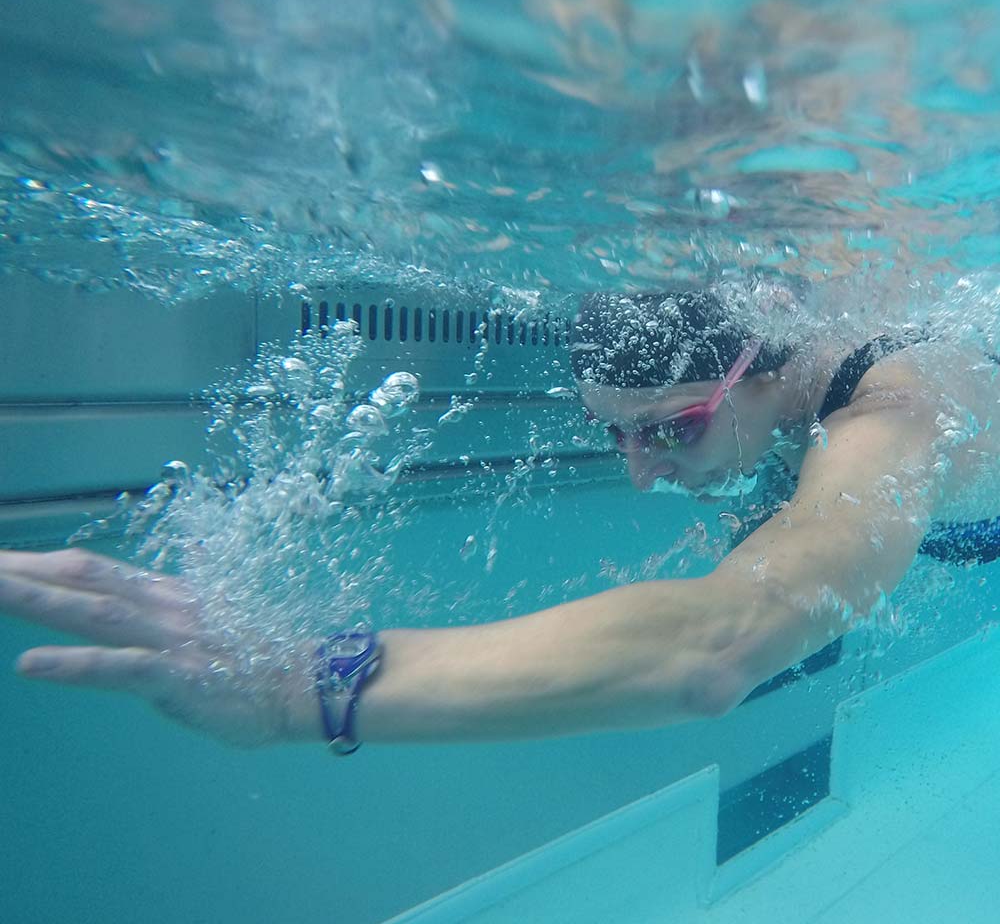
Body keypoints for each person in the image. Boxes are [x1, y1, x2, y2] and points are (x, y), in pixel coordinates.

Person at [2, 287, 998, 753]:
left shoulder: (889, 419)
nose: (644, 478)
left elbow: (711, 651)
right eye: (617, 440)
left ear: (761, 371)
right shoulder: (782, 393)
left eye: (672, 432)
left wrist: (294, 690)